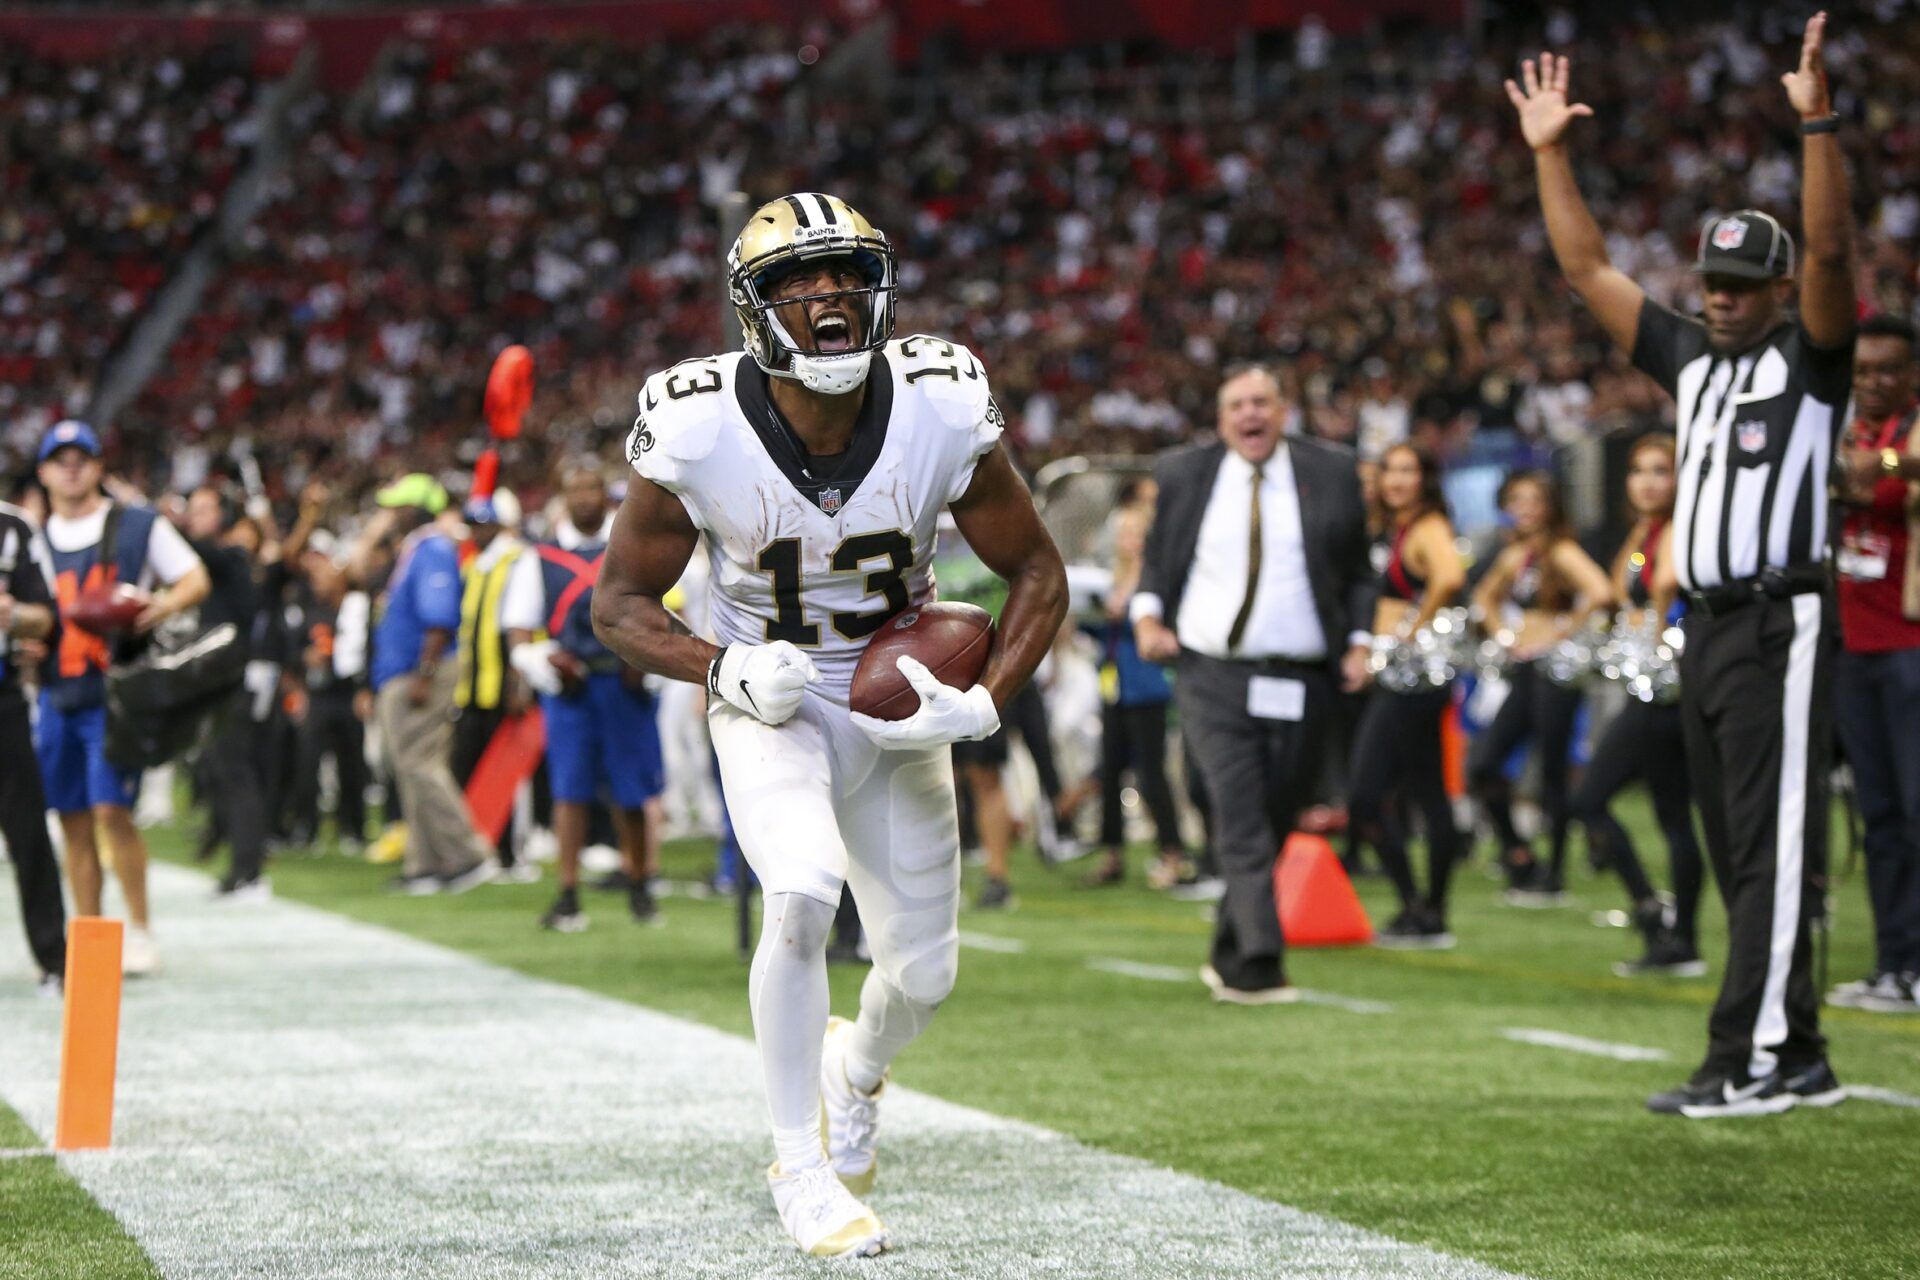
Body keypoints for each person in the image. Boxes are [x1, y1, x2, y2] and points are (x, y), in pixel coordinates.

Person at [591, 193, 1066, 1257]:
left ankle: (854, 1069)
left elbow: (1037, 568)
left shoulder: (941, 398)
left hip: (903, 697)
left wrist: (986, 699)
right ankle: (797, 1165)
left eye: (845, 274)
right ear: (752, 310)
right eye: (797, 283)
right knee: (800, 894)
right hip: (776, 692)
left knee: (927, 973)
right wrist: (722, 664)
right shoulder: (699, 420)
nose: (829, 298)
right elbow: (614, 606)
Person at [1509, 15, 1854, 1115]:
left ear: (1779, 290)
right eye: (1712, 279)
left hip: (1779, 619)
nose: (1720, 296)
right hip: (1704, 625)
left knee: (1769, 844)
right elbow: (1586, 266)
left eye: (1745, 286)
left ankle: (1747, 1058)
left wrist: (1818, 126)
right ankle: (1796, 1047)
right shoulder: (1692, 359)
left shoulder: (1812, 361)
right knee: (1737, 840)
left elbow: (1836, 258)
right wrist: (1548, 151)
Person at [1131, 364, 1374, 1004]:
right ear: (1220, 417)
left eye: (1262, 402)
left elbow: (1357, 572)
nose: (1250, 414)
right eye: (1237, 403)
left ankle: (1227, 948)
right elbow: (1159, 560)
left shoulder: (1332, 471)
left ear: (1284, 410)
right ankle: (1260, 963)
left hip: (1302, 676)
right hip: (1211, 669)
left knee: (1278, 812)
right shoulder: (1185, 474)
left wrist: (1359, 641)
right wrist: (1148, 616)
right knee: (1239, 810)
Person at [32, 421, 209, 976]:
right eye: (59, 459)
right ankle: (90, 936)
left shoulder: (135, 525)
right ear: (42, 472)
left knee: (112, 812)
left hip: (115, 695)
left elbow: (193, 578)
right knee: (73, 820)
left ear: (98, 467)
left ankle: (139, 929)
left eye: (80, 457)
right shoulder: (33, 540)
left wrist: (157, 607)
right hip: (57, 695)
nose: (70, 467)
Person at [502, 463, 662, 929]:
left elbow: (660, 610)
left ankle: (640, 882)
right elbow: (518, 630)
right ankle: (568, 891)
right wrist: (541, 661)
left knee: (631, 789)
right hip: (571, 688)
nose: (585, 498)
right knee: (569, 789)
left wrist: (648, 664)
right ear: (563, 496)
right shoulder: (542, 558)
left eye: (592, 487)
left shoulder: (631, 548)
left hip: (624, 681)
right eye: (576, 489)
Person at [1569, 435, 1707, 977]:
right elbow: (1611, 590)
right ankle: (1678, 937)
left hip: (1667, 693)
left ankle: (1659, 917)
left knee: (1593, 798)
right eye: (1637, 471)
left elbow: (1666, 588)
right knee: (1672, 817)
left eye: (1660, 471)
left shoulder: (1675, 528)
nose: (1647, 480)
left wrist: (1642, 621)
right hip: (1649, 688)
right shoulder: (1646, 532)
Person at [1827, 315, 1920, 1012]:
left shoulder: (1903, 436)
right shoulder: (1846, 433)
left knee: (1916, 812)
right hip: (1853, 648)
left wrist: (1881, 466)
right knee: (1879, 813)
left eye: (1887, 370)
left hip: (1910, 645)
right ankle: (1893, 964)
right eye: (1861, 371)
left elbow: (1882, 486)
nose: (1872, 382)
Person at [1467, 470, 1614, 904]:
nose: (1524, 508)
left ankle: (1555, 871)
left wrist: (1560, 632)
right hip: (1526, 669)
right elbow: (1484, 596)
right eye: (1517, 500)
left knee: (1552, 771)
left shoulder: (1561, 551)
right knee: (1485, 764)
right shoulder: (1518, 554)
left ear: (1551, 506)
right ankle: (1519, 853)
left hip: (1555, 672)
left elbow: (1601, 591)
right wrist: (1505, 636)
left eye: (1534, 500)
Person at [1350, 444, 1467, 947]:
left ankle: (1420, 905)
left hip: (1412, 683)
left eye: (1407, 469)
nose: (1395, 480)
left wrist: (1410, 630)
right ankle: (1427, 912)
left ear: (1425, 478)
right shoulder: (1395, 527)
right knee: (1425, 793)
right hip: (1403, 680)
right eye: (1389, 471)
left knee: (1365, 797)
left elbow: (1450, 577)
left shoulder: (1427, 527)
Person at [362, 474, 496, 895]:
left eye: (397, 506)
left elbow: (439, 617)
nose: (389, 514)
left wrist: (424, 672)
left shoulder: (433, 549)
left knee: (421, 765)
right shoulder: (418, 548)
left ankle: (468, 854)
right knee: (410, 767)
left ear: (416, 509)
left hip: (420, 671)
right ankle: (426, 865)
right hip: (406, 670)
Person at [1081, 477, 1189, 891]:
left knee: (1151, 774)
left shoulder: (1154, 581)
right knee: (1110, 772)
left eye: (1135, 533)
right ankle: (1113, 854)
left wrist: (1119, 616)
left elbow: (1157, 630)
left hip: (1146, 686)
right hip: (1115, 684)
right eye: (1123, 532)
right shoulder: (1114, 578)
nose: (1127, 540)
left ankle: (1173, 853)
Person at [451, 488, 535, 880]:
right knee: (468, 767)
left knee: (508, 772)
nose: (476, 532)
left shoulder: (517, 559)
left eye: (482, 525)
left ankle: (510, 853)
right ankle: (478, 846)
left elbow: (522, 622)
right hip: (473, 684)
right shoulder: (475, 566)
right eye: (472, 525)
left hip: (504, 680)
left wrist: (519, 680)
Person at [0, 496, 65, 993]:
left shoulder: (14, 526)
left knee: (28, 831)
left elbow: (45, 617)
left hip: (2, 699)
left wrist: (12, 613)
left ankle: (55, 960)